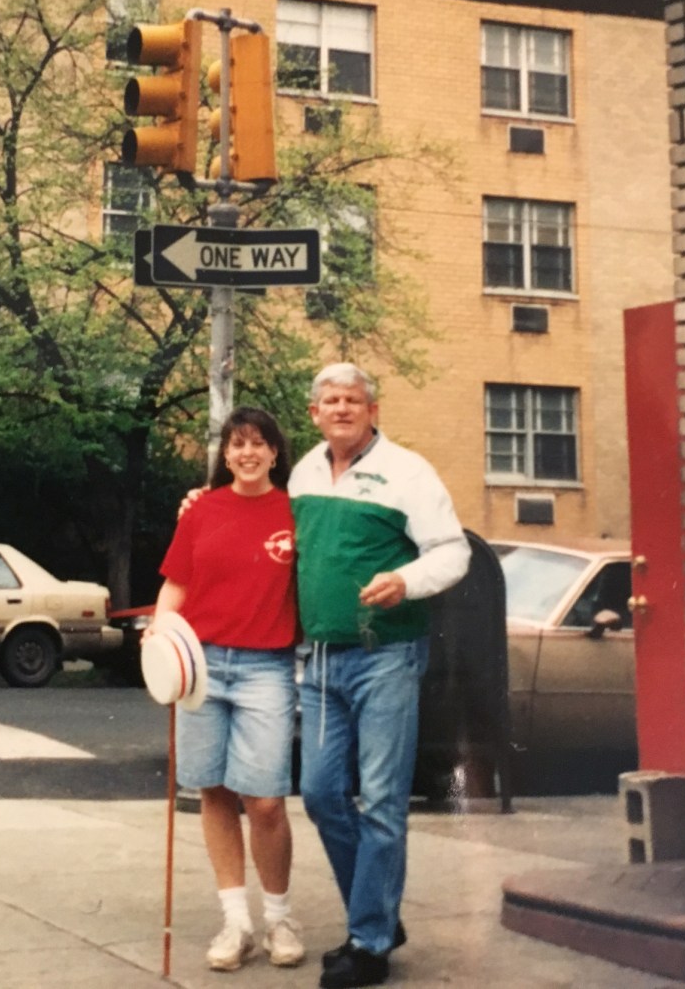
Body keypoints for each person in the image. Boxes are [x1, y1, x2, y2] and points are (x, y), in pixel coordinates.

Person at [291, 363, 470, 989]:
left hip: (385, 656)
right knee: (319, 794)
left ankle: (368, 942)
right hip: (319, 659)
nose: (342, 409)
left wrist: (404, 580)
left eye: (354, 400)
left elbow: (452, 551)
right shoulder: (303, 473)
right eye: (331, 401)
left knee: (382, 801)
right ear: (314, 413)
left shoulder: (408, 472)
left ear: (373, 411)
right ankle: (380, 915)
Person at [147, 405, 305, 972]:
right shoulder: (202, 510)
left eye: (258, 443)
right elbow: (176, 586)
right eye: (237, 444)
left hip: (267, 667)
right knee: (213, 790)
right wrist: (158, 643)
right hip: (201, 666)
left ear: (275, 452)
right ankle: (236, 922)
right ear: (226, 454)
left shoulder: (297, 511)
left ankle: (279, 917)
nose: (247, 453)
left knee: (264, 800)